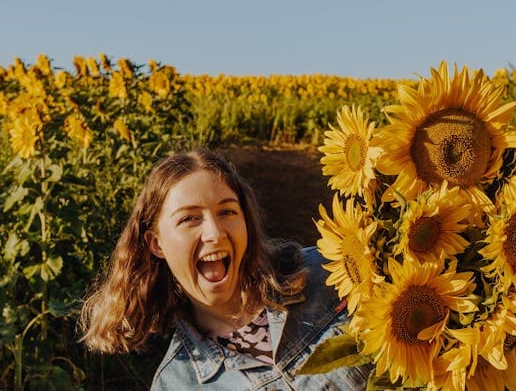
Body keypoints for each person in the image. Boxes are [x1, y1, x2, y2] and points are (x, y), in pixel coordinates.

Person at [79, 148, 371, 389]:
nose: (215, 233)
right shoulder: (179, 384)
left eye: (227, 212)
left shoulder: (334, 271)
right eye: (189, 219)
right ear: (157, 244)